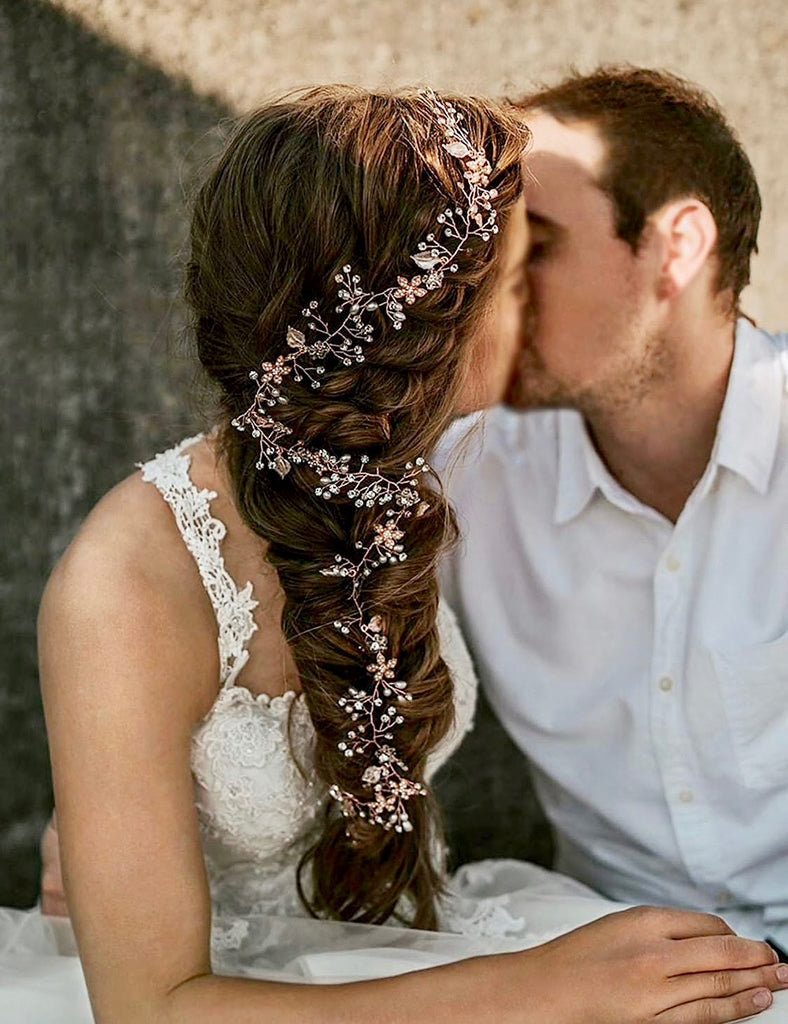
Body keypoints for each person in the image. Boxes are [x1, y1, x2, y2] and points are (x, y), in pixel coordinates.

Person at [10, 85, 787, 1024]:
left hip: (425, 942)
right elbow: (146, 1006)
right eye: (513, 278)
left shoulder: (409, 478)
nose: (531, 304)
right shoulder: (125, 582)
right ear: (412, 320)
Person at [439, 65, 788, 980]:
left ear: (676, 249)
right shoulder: (463, 471)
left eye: (537, 243)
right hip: (591, 969)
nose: (485, 284)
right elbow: (248, 570)